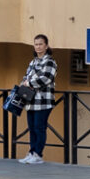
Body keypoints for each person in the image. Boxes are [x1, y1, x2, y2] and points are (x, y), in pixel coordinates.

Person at [19, 34, 57, 164]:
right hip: (31, 101)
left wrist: (29, 83)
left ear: (46, 46)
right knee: (32, 128)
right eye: (36, 44)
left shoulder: (50, 62)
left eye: (41, 44)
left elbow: (45, 78)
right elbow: (25, 77)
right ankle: (31, 152)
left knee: (39, 127)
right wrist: (25, 82)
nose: (38, 47)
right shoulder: (33, 61)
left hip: (44, 101)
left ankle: (38, 154)